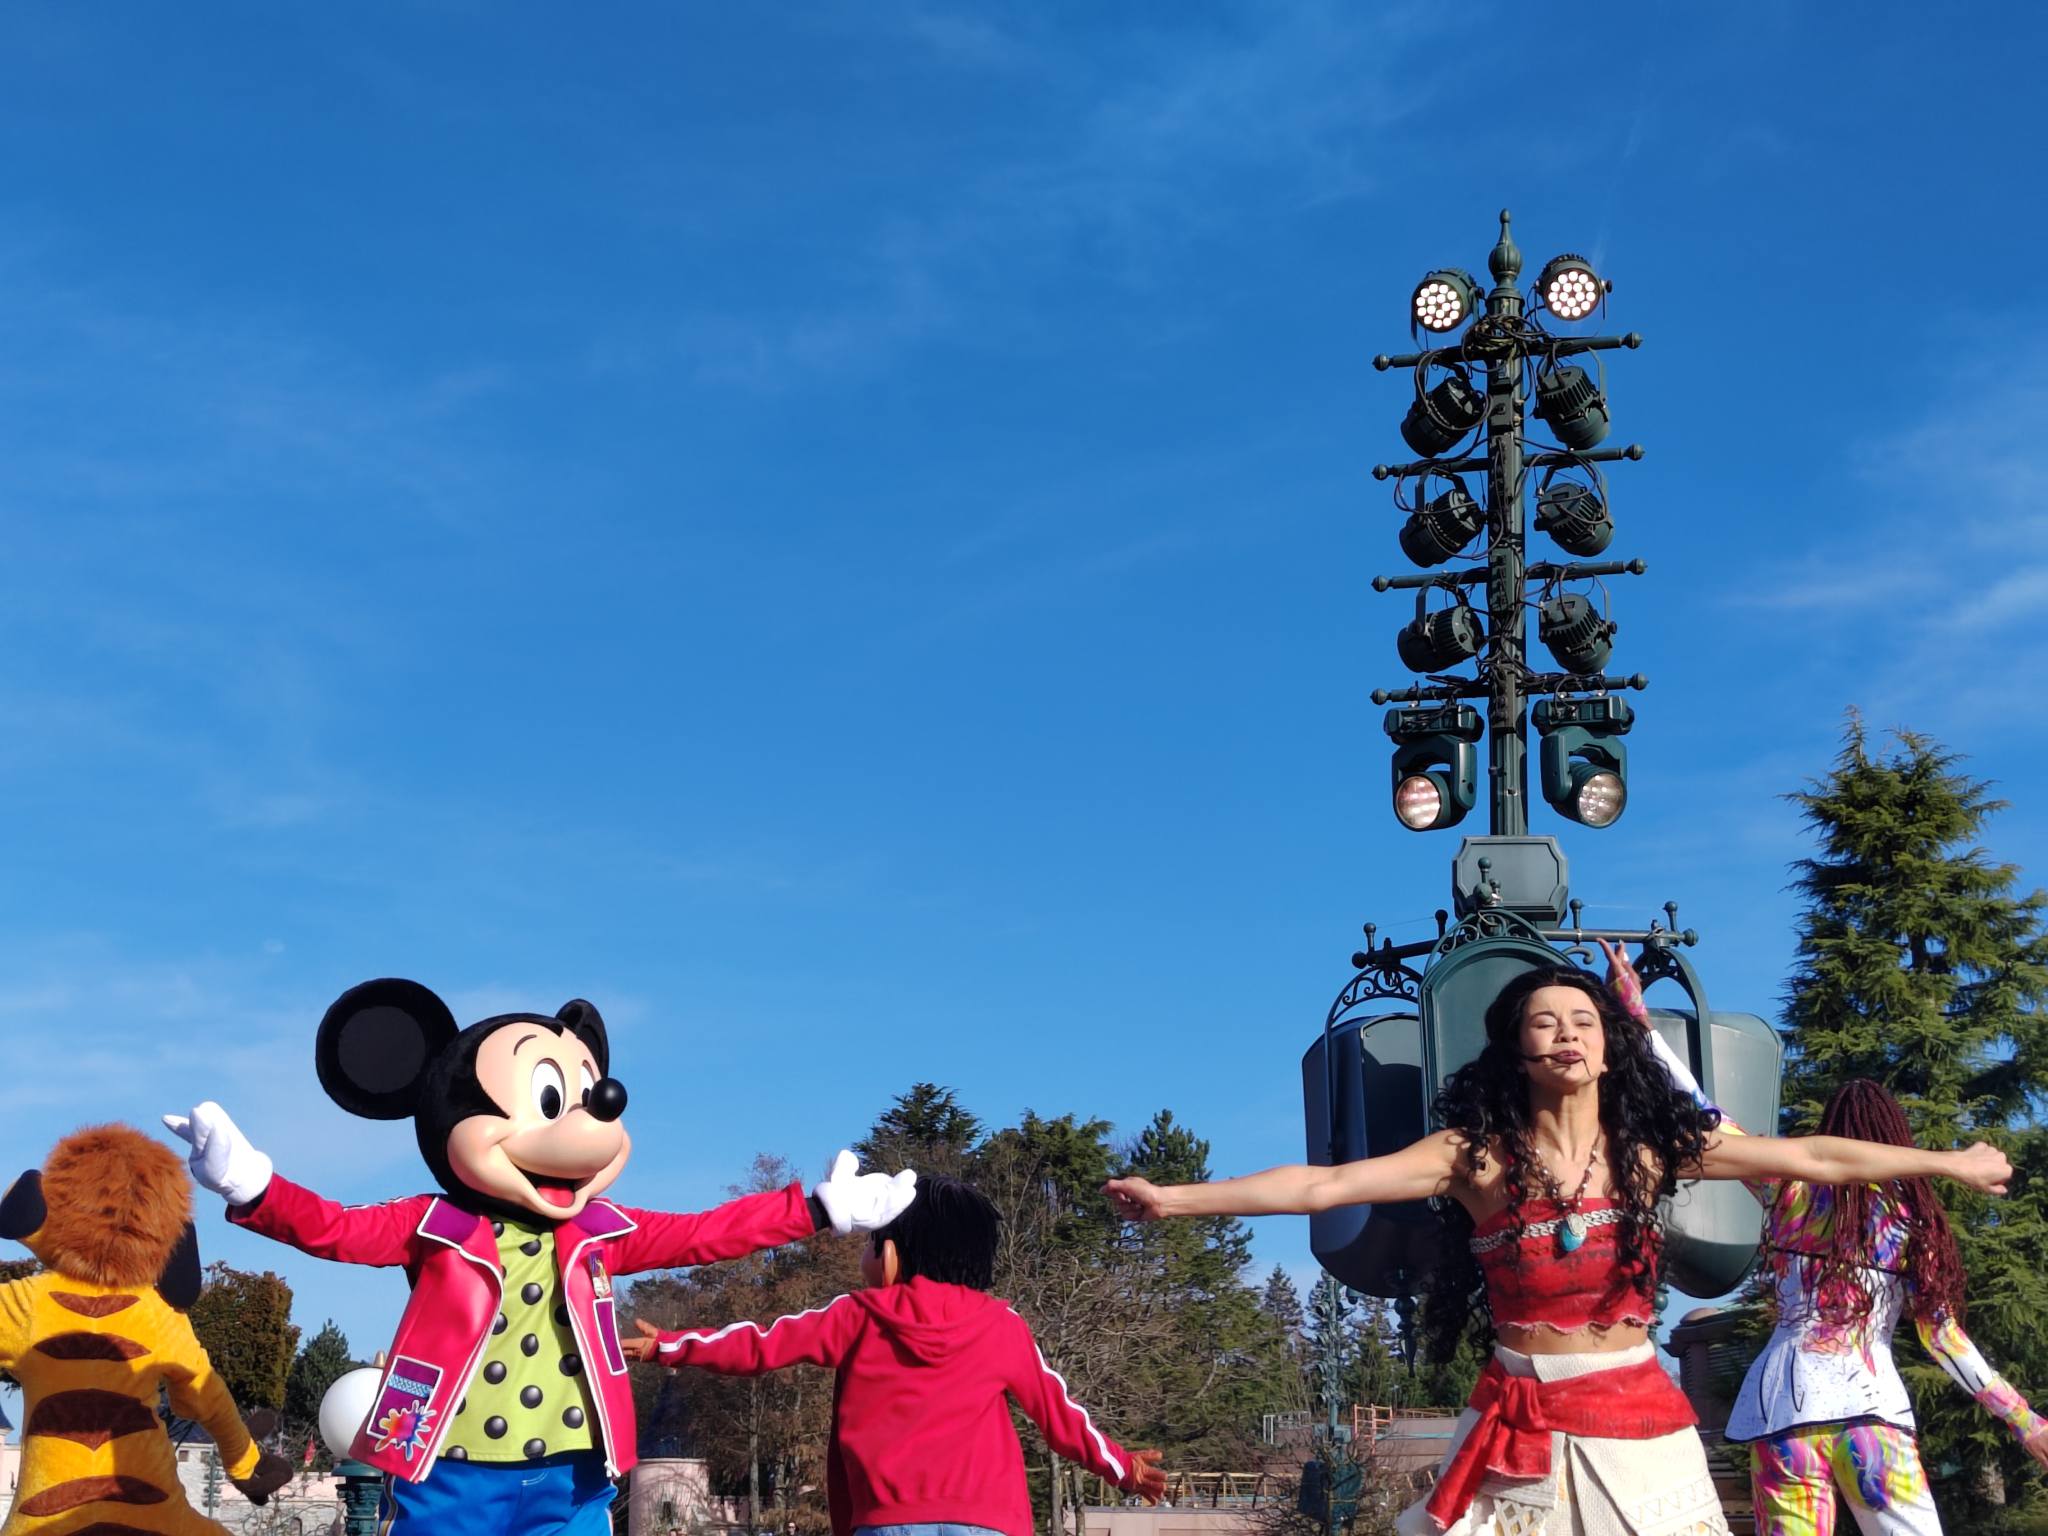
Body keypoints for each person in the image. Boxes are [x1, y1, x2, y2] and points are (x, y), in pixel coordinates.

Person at [1102, 954, 2014, 1536]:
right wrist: (1175, 1199)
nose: (1567, 1032)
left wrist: (1951, 1160)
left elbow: (1813, 1152)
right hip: (1517, 1418)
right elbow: (1324, 1184)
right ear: (1516, 1049)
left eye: (1583, 1021)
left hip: (1637, 1419)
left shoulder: (1652, 1154)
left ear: (1612, 1048)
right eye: (1545, 1021)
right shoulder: (1474, 1155)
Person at [624, 1174, 1169, 1536]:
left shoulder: (858, 1315)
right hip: (990, 1523)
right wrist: (1123, 1467)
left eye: (871, 1243)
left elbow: (763, 1343)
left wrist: (670, 1346)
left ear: (892, 1257)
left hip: (887, 1522)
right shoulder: (1002, 1326)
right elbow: (1061, 1417)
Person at [1706, 1075, 2045, 1534]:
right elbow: (1943, 1338)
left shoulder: (1787, 1189)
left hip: (1781, 1417)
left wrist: (1641, 1032)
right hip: (1872, 1413)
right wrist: (2024, 1420)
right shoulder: (1910, 1219)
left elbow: (1711, 1120)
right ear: (1894, 1140)